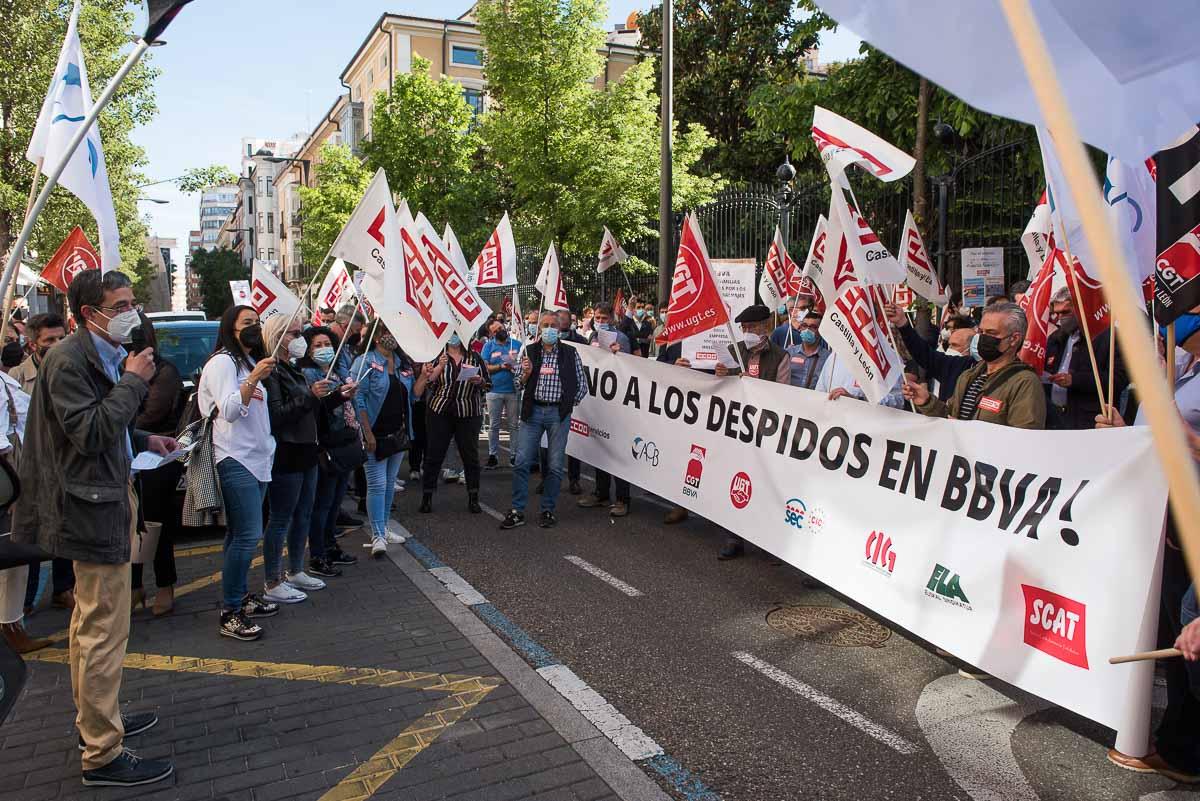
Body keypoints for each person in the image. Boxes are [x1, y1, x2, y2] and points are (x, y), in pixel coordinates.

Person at [14, 269, 175, 786]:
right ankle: (103, 753)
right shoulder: (69, 359)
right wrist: (135, 381)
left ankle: (97, 724)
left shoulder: (97, 354)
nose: (133, 312)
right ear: (89, 314)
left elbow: (108, 423)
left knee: (90, 628)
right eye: (121, 304)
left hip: (102, 498)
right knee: (104, 629)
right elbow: (89, 432)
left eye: (132, 302)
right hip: (88, 507)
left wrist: (146, 439)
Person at [1097, 313, 1200, 783]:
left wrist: (1190, 441)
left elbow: (1183, 442)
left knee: (1189, 633)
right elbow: (1150, 442)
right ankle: (1178, 742)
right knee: (1177, 640)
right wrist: (1121, 432)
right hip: (1166, 522)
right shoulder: (1182, 373)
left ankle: (1186, 751)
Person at [198, 304, 278, 642]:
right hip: (235, 459)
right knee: (248, 536)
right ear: (231, 328)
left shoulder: (246, 362)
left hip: (258, 459)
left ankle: (240, 596)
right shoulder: (222, 363)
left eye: (257, 323)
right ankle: (230, 611)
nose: (254, 328)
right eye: (247, 323)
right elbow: (228, 410)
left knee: (239, 536)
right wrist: (254, 377)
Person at [261, 313, 345, 604]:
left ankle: (296, 569)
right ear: (275, 337)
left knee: (304, 513)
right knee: (281, 517)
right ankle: (273, 580)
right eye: (292, 334)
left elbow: (312, 409)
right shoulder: (272, 372)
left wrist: (338, 397)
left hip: (308, 448)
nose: (299, 340)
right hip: (288, 450)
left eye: (299, 333)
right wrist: (310, 394)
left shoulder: (292, 368)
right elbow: (277, 416)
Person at [715, 304, 790, 559]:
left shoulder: (780, 357)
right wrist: (723, 374)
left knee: (763, 485)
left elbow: (783, 395)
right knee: (734, 481)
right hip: (737, 429)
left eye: (751, 327)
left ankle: (768, 541)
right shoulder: (733, 351)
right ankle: (733, 537)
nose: (746, 332)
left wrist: (754, 386)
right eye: (744, 328)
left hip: (765, 431)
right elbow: (720, 387)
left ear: (765, 327)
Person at [501, 312, 588, 530]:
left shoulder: (570, 352)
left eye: (553, 326)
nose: (549, 329)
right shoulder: (529, 351)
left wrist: (568, 404)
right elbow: (518, 385)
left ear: (559, 330)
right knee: (522, 461)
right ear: (539, 328)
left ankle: (547, 509)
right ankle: (517, 510)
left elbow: (582, 385)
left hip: (558, 415)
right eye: (545, 325)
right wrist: (526, 374)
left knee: (556, 465)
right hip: (533, 413)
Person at [13, 312, 74, 614]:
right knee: (32, 532)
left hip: (64, 464)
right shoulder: (15, 378)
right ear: (33, 343)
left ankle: (63, 589)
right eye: (49, 340)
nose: (57, 344)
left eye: (61, 337)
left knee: (64, 529)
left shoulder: (73, 371)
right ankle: (23, 603)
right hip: (30, 467)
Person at [905, 302, 1045, 429]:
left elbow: (1024, 439)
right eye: (981, 332)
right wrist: (926, 401)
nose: (983, 338)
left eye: (991, 333)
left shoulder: (1025, 383)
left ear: (1014, 339)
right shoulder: (969, 375)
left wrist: (971, 433)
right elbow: (951, 418)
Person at [128, 314, 184, 617]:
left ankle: (165, 584)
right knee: (132, 525)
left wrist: (119, 419)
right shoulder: (119, 368)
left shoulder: (165, 372)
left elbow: (149, 416)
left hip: (158, 457)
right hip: (128, 457)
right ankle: (134, 586)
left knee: (156, 524)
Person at [353, 324, 424, 557]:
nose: (390, 336)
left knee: (389, 484)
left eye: (393, 331)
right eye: (385, 332)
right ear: (375, 338)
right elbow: (358, 399)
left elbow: (413, 396)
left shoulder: (402, 363)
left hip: (398, 434)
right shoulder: (364, 362)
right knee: (377, 485)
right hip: (375, 435)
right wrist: (367, 433)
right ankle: (377, 535)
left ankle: (384, 527)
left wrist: (424, 376)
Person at [297, 326, 361, 577]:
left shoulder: (334, 371)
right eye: (317, 346)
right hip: (325, 443)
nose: (324, 349)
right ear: (308, 350)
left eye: (327, 344)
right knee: (322, 503)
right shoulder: (308, 374)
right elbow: (316, 410)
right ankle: (317, 554)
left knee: (335, 502)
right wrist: (337, 396)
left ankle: (330, 546)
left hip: (343, 442)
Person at [0, 343, 43, 653]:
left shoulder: (5, 381)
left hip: (15, 470)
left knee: (14, 559)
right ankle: (9, 626)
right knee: (12, 558)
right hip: (8, 475)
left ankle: (11, 623)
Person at [419, 333, 489, 514]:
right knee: (434, 455)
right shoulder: (437, 357)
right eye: (451, 334)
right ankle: (427, 496)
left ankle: (473, 497)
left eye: (458, 333)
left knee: (470, 456)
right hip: (440, 411)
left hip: (467, 412)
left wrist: (479, 380)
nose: (454, 338)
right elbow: (427, 382)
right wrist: (440, 367)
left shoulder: (475, 358)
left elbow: (488, 384)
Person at [1043, 288, 1127, 430]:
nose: (1059, 318)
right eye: (1056, 313)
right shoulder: (1056, 338)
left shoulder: (1110, 337)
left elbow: (1118, 379)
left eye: (1065, 312)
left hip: (1090, 421)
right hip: (1056, 419)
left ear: (1083, 309)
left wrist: (1074, 380)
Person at [578, 304, 631, 515]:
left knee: (617, 452)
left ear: (611, 318)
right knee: (599, 448)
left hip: (618, 403)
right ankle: (601, 493)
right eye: (597, 317)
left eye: (603, 317)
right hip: (599, 401)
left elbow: (632, 368)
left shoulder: (622, 338)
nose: (600, 320)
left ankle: (622, 499)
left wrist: (620, 355)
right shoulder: (593, 336)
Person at [886, 305, 976, 402]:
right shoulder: (954, 365)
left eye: (955, 345)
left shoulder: (980, 372)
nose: (950, 349)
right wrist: (902, 323)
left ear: (972, 348)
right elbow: (923, 353)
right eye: (949, 345)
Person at [481, 319, 521, 469]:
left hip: (513, 390)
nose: (500, 331)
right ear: (491, 334)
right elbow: (484, 367)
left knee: (513, 425)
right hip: (494, 391)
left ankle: (514, 456)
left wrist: (515, 367)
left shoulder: (516, 344)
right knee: (494, 425)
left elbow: (524, 363)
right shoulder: (488, 346)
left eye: (501, 327)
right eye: (496, 330)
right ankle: (493, 456)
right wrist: (500, 366)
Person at [782, 310, 831, 390]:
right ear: (800, 328)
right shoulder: (789, 353)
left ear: (821, 331)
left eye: (813, 327)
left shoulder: (828, 358)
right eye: (804, 325)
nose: (807, 330)